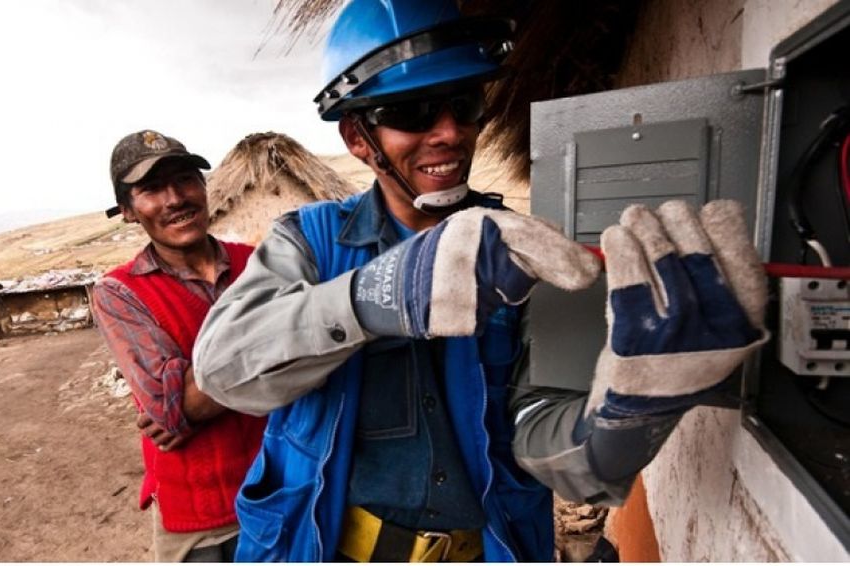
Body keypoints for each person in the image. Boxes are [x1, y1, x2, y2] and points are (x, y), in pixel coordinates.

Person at [193, 0, 768, 562]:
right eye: (412, 112)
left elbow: (548, 442)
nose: (447, 133)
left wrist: (631, 412)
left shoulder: (523, 252)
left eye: (463, 104)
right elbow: (224, 369)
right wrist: (377, 297)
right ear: (358, 139)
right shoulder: (311, 242)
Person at [92, 130, 266, 562]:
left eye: (186, 179)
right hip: (202, 516)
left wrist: (196, 392)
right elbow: (173, 408)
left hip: (289, 490)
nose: (175, 198)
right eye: (151, 189)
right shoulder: (119, 292)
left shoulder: (262, 263)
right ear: (129, 211)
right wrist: (279, 347)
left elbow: (189, 401)